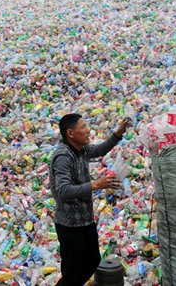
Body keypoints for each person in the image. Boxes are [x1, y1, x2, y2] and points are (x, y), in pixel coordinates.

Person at [49, 113, 131, 285]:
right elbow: (62, 190)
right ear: (71, 133)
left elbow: (100, 150)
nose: (88, 131)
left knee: (92, 261)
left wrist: (118, 134)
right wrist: (94, 185)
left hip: (85, 221)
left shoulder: (82, 150)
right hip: (69, 225)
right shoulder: (63, 156)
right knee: (72, 271)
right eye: (84, 127)